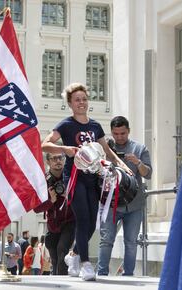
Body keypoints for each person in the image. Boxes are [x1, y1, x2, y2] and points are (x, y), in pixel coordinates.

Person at [41, 83, 132, 281]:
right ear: (70, 104)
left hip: (94, 178)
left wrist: (121, 166)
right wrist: (64, 149)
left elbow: (107, 152)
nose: (81, 103)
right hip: (74, 178)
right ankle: (85, 264)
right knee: (82, 219)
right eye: (77, 100)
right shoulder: (65, 125)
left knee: (92, 222)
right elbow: (45, 145)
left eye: (84, 99)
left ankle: (73, 255)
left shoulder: (95, 126)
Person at [97, 116, 152, 276]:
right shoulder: (105, 148)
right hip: (111, 203)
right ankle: (101, 275)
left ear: (128, 131)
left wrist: (138, 163)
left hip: (134, 205)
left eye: (123, 133)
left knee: (131, 242)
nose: (119, 137)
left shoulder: (140, 148)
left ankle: (128, 276)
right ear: (112, 133)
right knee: (106, 240)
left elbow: (148, 174)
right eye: (116, 134)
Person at [33, 152, 76, 275]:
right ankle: (58, 281)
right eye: (54, 158)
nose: (58, 161)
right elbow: (36, 208)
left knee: (62, 250)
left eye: (61, 158)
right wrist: (50, 201)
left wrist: (68, 196)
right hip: (53, 226)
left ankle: (62, 282)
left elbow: (81, 200)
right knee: (55, 257)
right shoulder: (43, 181)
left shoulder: (70, 177)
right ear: (48, 162)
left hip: (69, 221)